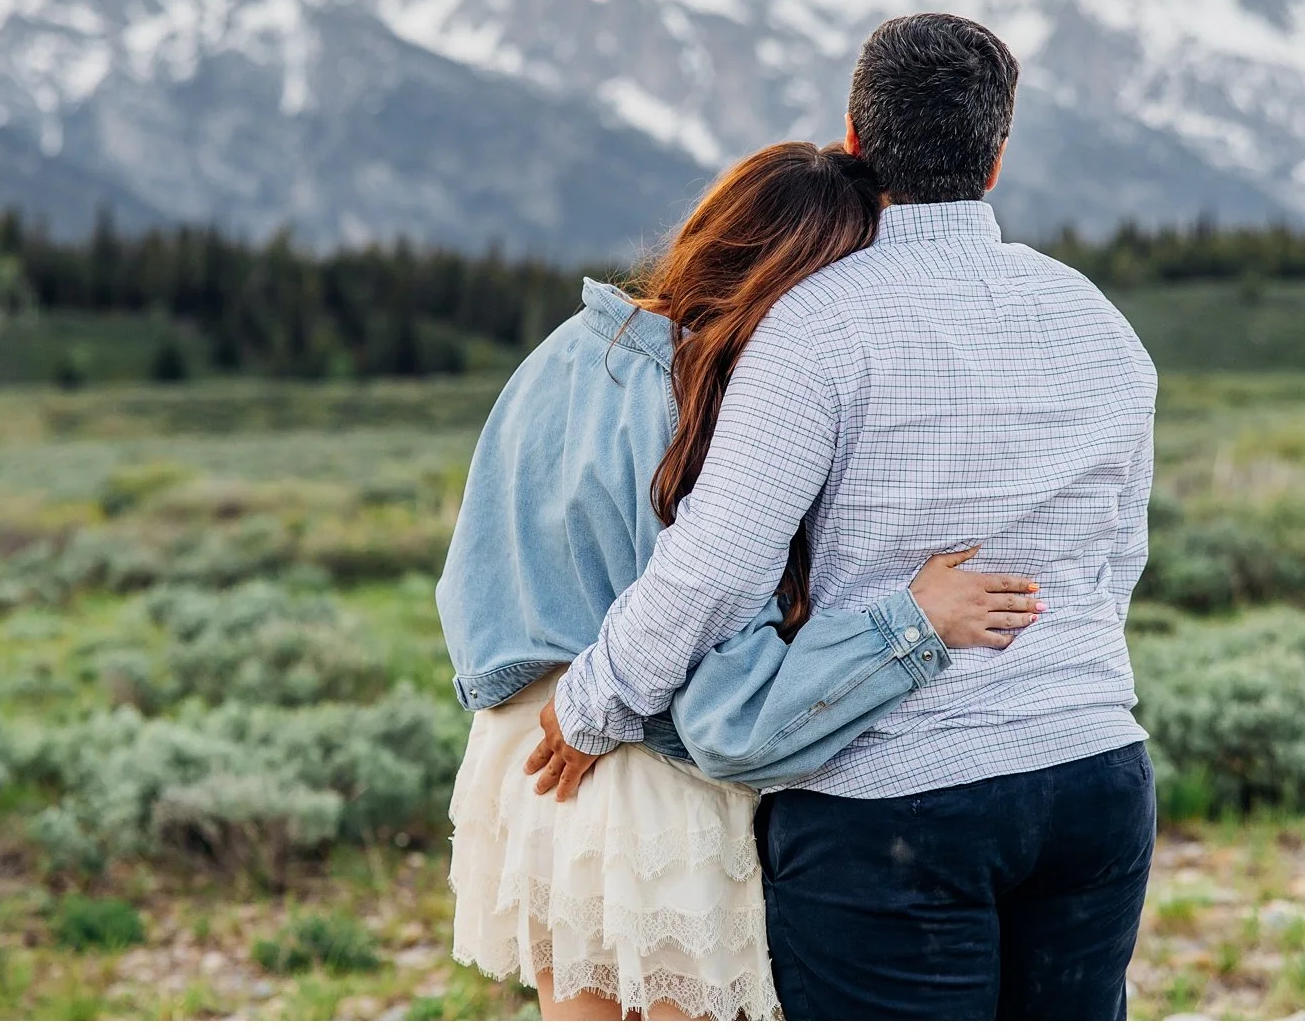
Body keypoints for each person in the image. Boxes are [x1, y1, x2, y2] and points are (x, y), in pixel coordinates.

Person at [538, 14, 1160, 1020]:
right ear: (996, 156)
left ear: (855, 137)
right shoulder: (1095, 317)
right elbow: (1115, 560)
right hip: (1093, 774)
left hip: (892, 801)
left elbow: (715, 566)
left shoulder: (816, 325)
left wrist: (590, 703)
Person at [437, 141, 1047, 1020]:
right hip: (650, 785)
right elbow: (729, 686)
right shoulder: (709, 407)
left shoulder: (567, 351)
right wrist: (911, 625)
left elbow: (474, 581)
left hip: (518, 762)